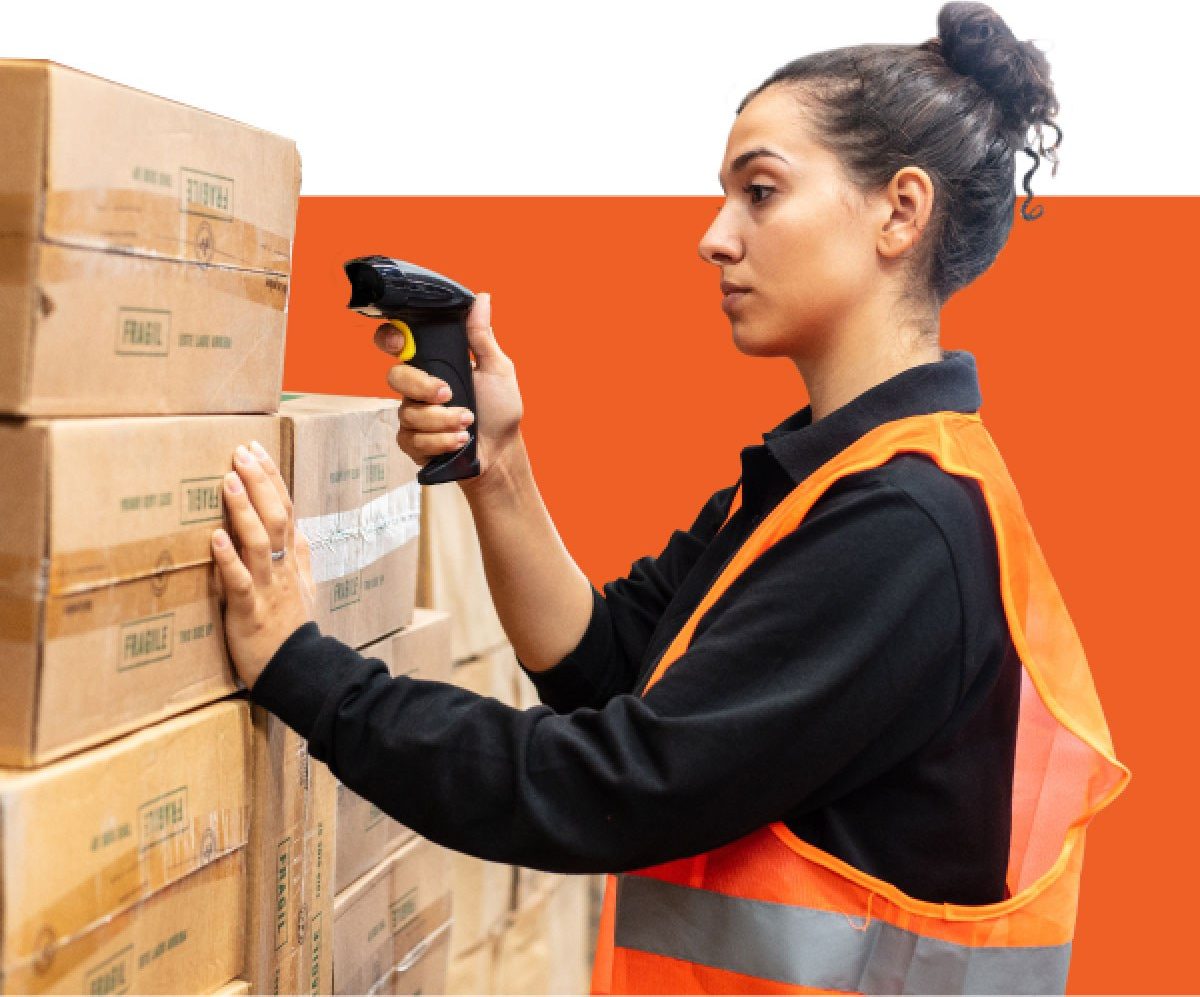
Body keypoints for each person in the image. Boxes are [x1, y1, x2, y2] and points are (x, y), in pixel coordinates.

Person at [210, 3, 1129, 993]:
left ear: (899, 212)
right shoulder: (818, 483)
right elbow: (607, 667)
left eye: (761, 192)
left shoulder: (905, 525)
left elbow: (613, 786)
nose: (714, 237)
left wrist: (300, 669)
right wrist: (499, 469)